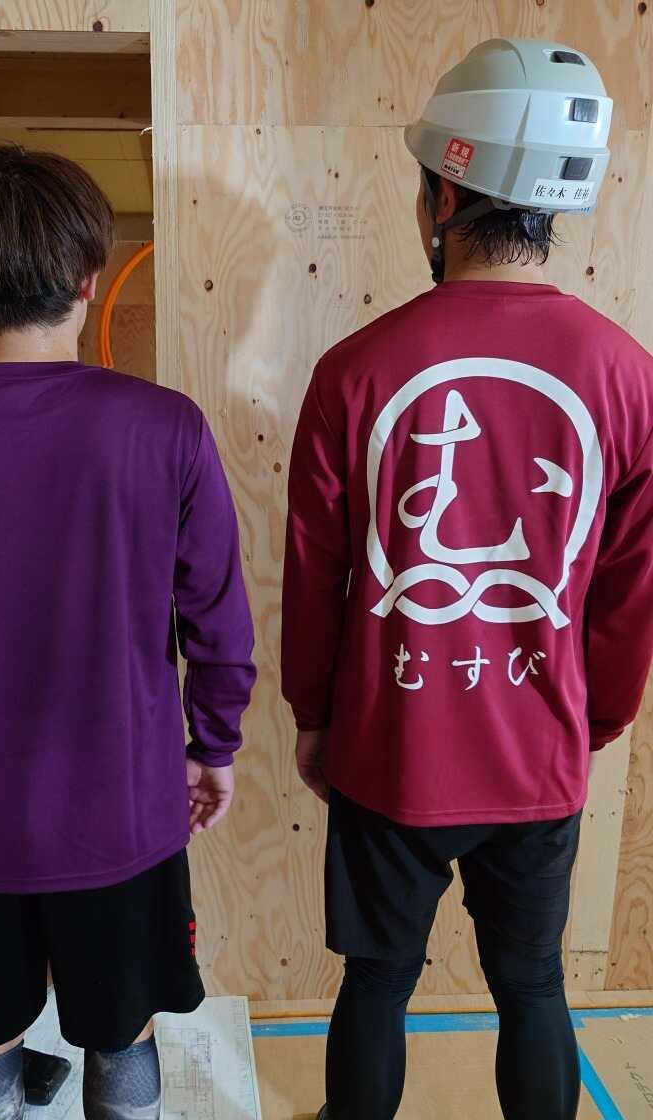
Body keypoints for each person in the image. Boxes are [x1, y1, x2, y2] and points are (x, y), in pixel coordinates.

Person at [0, 145, 256, 1120]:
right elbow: (217, 618)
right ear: (89, 276)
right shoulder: (166, 428)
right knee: (122, 1029)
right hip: (128, 808)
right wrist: (214, 743)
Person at [282, 38, 653, 1120]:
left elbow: (315, 572)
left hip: (387, 743)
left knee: (376, 983)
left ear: (444, 191)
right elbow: (629, 593)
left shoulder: (354, 370)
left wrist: (316, 717)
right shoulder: (629, 376)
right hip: (538, 750)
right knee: (532, 986)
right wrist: (593, 716)